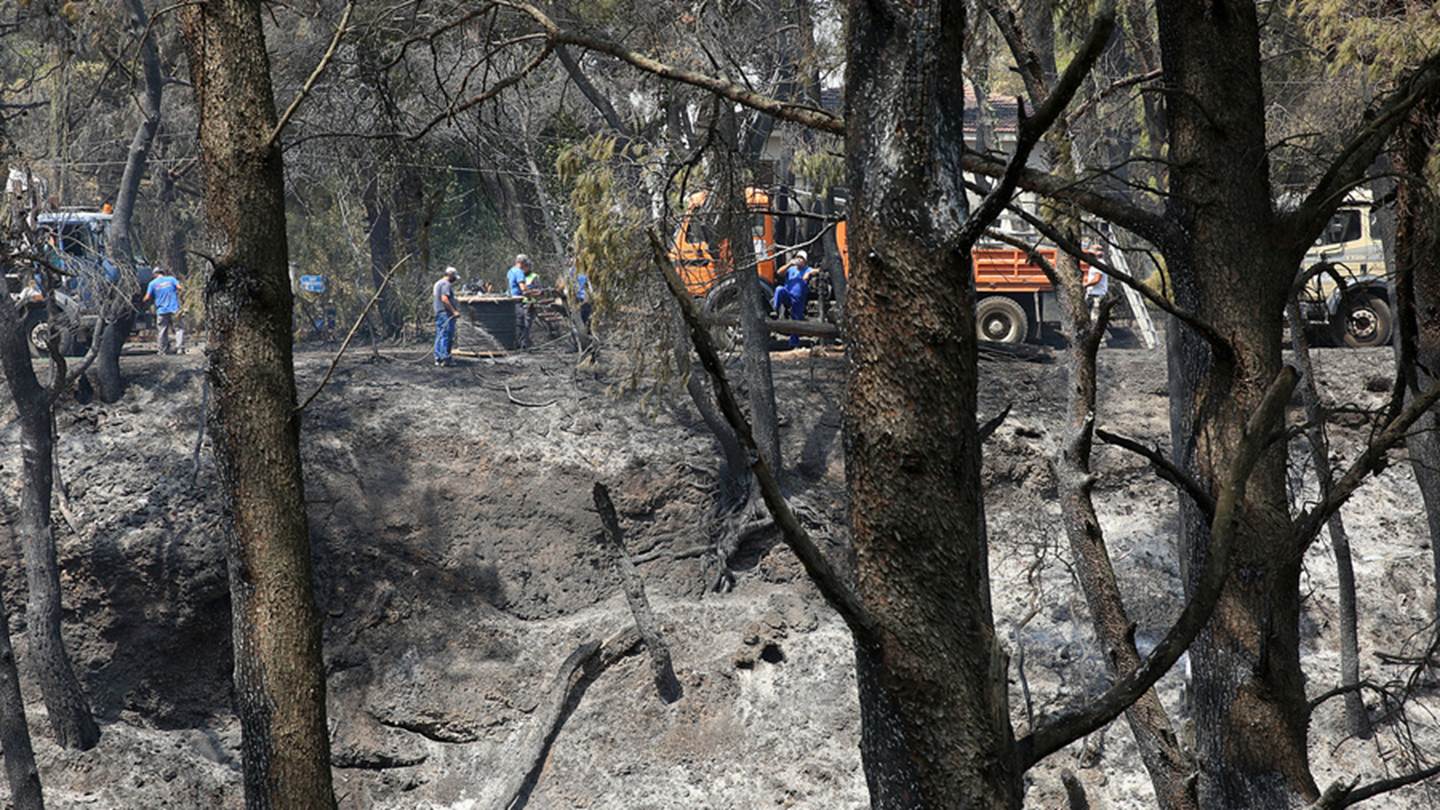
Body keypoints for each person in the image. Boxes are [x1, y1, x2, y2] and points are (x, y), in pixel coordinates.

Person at [771, 250, 821, 349]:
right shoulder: (791, 269)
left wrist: (810, 273)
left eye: (801, 258)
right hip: (788, 295)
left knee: (796, 319)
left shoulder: (807, 269)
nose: (799, 260)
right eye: (798, 257)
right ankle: (775, 310)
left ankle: (793, 344)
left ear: (805, 261)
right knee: (779, 289)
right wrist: (789, 264)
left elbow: (819, 270)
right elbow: (779, 272)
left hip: (799, 300)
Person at [144, 266, 183, 354]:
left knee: (162, 330)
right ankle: (179, 348)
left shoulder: (152, 283)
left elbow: (147, 297)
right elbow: (179, 288)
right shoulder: (171, 279)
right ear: (163, 273)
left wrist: (141, 302)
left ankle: (162, 350)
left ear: (155, 274)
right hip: (174, 308)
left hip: (161, 310)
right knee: (178, 329)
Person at [433, 266, 461, 366]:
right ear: (450, 275)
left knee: (440, 334)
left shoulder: (437, 283)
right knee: (446, 335)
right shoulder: (446, 284)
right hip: (445, 314)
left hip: (438, 313)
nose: (454, 280)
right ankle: (446, 358)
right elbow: (444, 299)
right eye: (454, 277)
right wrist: (454, 311)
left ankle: (438, 358)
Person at [506, 254, 533, 348]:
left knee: (513, 322)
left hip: (510, 300)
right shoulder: (519, 272)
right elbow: (523, 288)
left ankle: (514, 343)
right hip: (517, 300)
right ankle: (522, 345)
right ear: (521, 263)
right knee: (521, 322)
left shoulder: (510, 271)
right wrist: (530, 295)